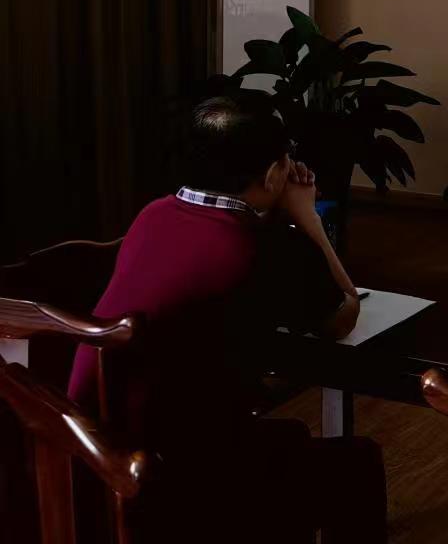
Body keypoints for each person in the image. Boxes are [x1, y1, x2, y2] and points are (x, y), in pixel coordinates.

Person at [68, 94, 385, 543]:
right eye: (287, 158)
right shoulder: (262, 249)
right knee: (357, 461)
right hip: (171, 477)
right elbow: (342, 316)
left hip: (93, 449)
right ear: (273, 174)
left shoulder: (153, 215)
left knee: (287, 434)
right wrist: (308, 219)